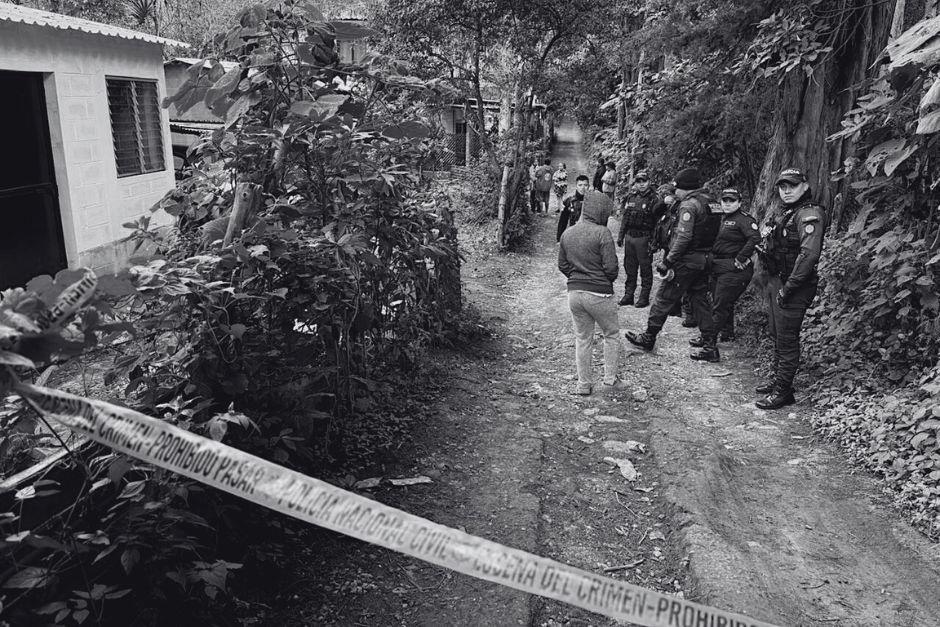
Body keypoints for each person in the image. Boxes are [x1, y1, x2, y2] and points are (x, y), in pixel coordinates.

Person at [625, 167, 722, 361]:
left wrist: (669, 261)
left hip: (686, 261)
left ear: (686, 188)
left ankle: (649, 336)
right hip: (705, 259)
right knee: (700, 301)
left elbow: (683, 237)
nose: (675, 192)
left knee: (663, 297)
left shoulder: (689, 205)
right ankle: (710, 345)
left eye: (677, 188)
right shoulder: (713, 202)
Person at [754, 168, 827, 410]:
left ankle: (783, 391)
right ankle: (778, 381)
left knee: (786, 339)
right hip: (779, 280)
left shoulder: (809, 214)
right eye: (782, 186)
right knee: (777, 334)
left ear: (805, 186)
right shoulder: (789, 212)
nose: (786, 191)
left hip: (795, 285)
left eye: (792, 186)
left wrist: (789, 288)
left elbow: (809, 255)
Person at [558, 191, 621, 395]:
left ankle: (583, 384)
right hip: (600, 293)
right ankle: (610, 380)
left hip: (574, 294)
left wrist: (576, 277)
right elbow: (611, 268)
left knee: (583, 339)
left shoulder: (568, 233)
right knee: (611, 334)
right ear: (601, 211)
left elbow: (562, 265)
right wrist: (603, 280)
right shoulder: (602, 233)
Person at [690, 188, 759, 349]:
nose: (727, 204)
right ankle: (727, 333)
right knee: (721, 301)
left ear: (739, 203)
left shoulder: (744, 219)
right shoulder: (719, 218)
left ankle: (708, 339)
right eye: (725, 200)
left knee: (720, 305)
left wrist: (741, 257)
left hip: (734, 268)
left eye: (732, 201)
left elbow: (755, 238)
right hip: (717, 266)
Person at [616, 171, 667, 308]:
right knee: (629, 268)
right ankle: (629, 295)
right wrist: (621, 236)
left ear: (648, 182)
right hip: (630, 237)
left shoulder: (655, 199)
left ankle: (644, 297)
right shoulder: (631, 197)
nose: (641, 184)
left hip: (644, 238)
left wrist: (655, 242)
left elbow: (658, 223)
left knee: (645, 269)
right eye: (639, 182)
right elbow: (625, 218)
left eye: (644, 181)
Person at [557, 175, 589, 242]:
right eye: (580, 185)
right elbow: (563, 222)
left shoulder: (593, 202)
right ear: (576, 186)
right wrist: (559, 239)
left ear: (589, 186)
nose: (583, 188)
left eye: (585, 185)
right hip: (574, 236)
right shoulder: (569, 201)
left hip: (589, 237)